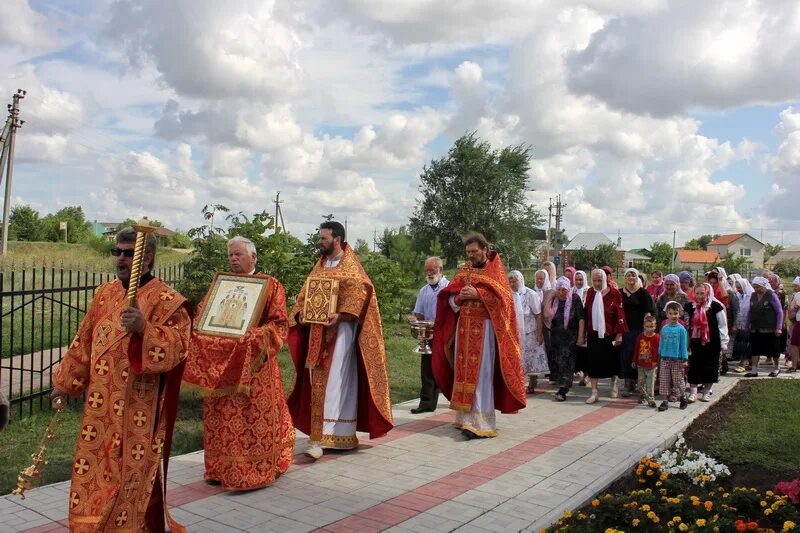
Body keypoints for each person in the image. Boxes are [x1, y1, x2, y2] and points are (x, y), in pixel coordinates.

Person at [50, 227, 190, 532]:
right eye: (118, 252)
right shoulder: (106, 293)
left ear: (148, 258)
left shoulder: (168, 300)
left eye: (129, 253)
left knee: (126, 478)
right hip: (98, 411)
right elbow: (84, 341)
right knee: (93, 475)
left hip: (137, 411)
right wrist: (65, 381)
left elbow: (180, 347)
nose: (121, 259)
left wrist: (145, 329)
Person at [183, 236, 295, 490]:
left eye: (238, 255)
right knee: (222, 419)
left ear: (253, 257)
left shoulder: (271, 286)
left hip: (255, 369)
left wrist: (253, 338)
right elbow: (203, 317)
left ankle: (255, 469)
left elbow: (279, 324)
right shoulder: (221, 285)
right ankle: (219, 469)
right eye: (230, 255)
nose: (233, 259)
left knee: (251, 421)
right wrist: (200, 332)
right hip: (221, 368)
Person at [287, 221, 393, 459]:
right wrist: (300, 314)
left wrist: (342, 314)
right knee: (317, 382)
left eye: (324, 238)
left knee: (337, 381)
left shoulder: (351, 266)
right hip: (317, 334)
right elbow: (305, 295)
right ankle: (320, 435)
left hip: (341, 335)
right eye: (320, 238)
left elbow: (361, 292)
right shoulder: (320, 266)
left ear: (338, 239)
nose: (320, 242)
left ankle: (334, 434)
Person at [431, 233, 525, 439]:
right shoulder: (465, 270)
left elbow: (504, 303)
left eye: (474, 251)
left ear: (485, 249)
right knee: (462, 375)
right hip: (464, 331)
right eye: (468, 252)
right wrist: (458, 298)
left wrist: (478, 295)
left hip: (485, 332)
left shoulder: (496, 271)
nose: (471, 255)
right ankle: (465, 419)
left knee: (481, 376)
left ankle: (481, 423)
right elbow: (449, 301)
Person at [408, 256, 449, 414]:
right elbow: (420, 315)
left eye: (432, 270)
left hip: (446, 335)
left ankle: (457, 401)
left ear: (441, 270)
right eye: (427, 271)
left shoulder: (449, 288)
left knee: (446, 369)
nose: (430, 273)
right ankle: (426, 403)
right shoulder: (423, 290)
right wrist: (415, 319)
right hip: (429, 335)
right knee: (426, 369)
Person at [582, 268, 628, 404]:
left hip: (610, 333)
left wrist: (620, 334)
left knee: (612, 361)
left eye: (599, 281)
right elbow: (587, 313)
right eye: (594, 280)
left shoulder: (615, 293)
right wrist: (583, 333)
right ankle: (594, 392)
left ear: (605, 280)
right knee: (593, 363)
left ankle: (614, 384)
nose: (596, 283)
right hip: (593, 333)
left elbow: (620, 315)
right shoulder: (590, 292)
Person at [684, 283, 728, 402]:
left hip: (712, 342)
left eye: (702, 293)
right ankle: (693, 392)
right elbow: (686, 325)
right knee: (694, 366)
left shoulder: (716, 307)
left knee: (710, 367)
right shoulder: (689, 307)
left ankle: (706, 392)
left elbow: (722, 326)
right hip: (695, 342)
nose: (699, 296)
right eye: (697, 293)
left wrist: (724, 342)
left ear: (707, 293)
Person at [545, 277, 585, 401]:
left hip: (570, 338)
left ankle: (563, 390)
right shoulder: (554, 299)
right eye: (559, 289)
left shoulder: (575, 299)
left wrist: (580, 337)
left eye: (564, 290)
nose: (562, 292)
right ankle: (562, 387)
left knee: (567, 364)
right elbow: (546, 315)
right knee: (558, 363)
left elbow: (581, 319)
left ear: (568, 289)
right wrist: (550, 297)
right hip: (556, 338)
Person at [508, 271, 547, 393]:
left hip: (530, 332)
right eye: (510, 281)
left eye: (515, 281)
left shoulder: (531, 294)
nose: (513, 284)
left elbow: (538, 315)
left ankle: (532, 381)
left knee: (531, 358)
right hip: (514, 332)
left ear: (521, 281)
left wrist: (540, 334)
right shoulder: (508, 294)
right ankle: (518, 382)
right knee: (518, 357)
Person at [619, 268, 655, 397]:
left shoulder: (643, 293)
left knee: (640, 356)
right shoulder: (620, 293)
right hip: (625, 330)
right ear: (625, 277)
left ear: (637, 277)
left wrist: (647, 330)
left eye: (633, 275)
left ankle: (641, 384)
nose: (631, 277)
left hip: (639, 330)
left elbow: (648, 312)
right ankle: (628, 384)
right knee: (626, 357)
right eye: (628, 275)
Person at [745, 276, 784, 378]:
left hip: (770, 328)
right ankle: (754, 370)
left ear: (763, 285)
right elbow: (750, 311)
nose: (756, 289)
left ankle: (776, 368)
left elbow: (779, 311)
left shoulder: (771, 295)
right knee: (755, 349)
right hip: (755, 327)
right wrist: (747, 325)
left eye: (758, 287)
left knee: (773, 349)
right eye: (754, 287)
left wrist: (779, 327)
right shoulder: (753, 295)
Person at [657, 301, 689, 411]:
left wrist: (684, 359)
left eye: (675, 313)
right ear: (667, 315)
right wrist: (659, 355)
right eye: (670, 313)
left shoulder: (681, 329)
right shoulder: (664, 328)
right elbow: (661, 343)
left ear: (679, 314)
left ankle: (683, 397)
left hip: (677, 359)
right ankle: (665, 401)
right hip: (665, 359)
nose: (673, 316)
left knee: (678, 380)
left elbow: (683, 346)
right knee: (664, 379)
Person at [632, 316, 659, 408]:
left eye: (651, 327)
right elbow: (636, 349)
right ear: (644, 326)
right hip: (641, 365)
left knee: (650, 384)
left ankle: (651, 400)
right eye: (647, 326)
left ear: (655, 327)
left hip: (652, 365)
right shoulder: (640, 336)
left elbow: (659, 351)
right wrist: (634, 361)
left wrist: (658, 362)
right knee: (640, 384)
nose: (649, 329)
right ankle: (643, 395)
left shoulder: (657, 337)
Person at [732, 277, 755, 374]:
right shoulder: (737, 296)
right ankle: (745, 362)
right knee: (741, 343)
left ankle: (745, 363)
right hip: (740, 324)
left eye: (739, 287)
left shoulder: (752, 296)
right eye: (737, 287)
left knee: (747, 343)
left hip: (749, 324)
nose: (738, 289)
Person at [573, 270, 590, 385]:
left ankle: (586, 376)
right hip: (573, 326)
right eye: (577, 279)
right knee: (575, 352)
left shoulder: (589, 291)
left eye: (581, 279)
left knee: (586, 352)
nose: (579, 282)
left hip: (586, 326)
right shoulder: (571, 291)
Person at [787, 276, 800, 373]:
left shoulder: (798, 295)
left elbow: (795, 307)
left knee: (795, 344)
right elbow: (792, 309)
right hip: (798, 322)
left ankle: (795, 365)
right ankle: (795, 364)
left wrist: (793, 308)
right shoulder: (797, 295)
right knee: (795, 344)